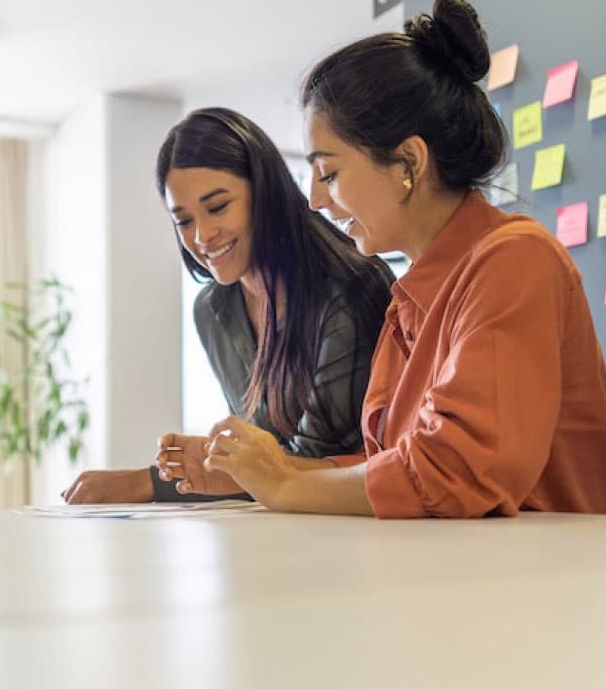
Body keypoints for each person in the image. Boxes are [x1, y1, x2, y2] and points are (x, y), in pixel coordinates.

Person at [190, 0, 606, 518]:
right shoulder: (410, 300)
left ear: (408, 162)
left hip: (550, 587)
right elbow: (390, 465)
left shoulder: (516, 260)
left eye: (329, 173)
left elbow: (454, 473)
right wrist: (250, 471)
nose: (315, 200)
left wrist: (281, 485)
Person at [62, 108, 394, 504]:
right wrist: (205, 461)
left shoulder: (348, 288)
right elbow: (261, 458)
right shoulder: (213, 309)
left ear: (265, 192)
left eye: (217, 207)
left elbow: (314, 462)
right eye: (183, 220)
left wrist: (152, 482)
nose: (202, 235)